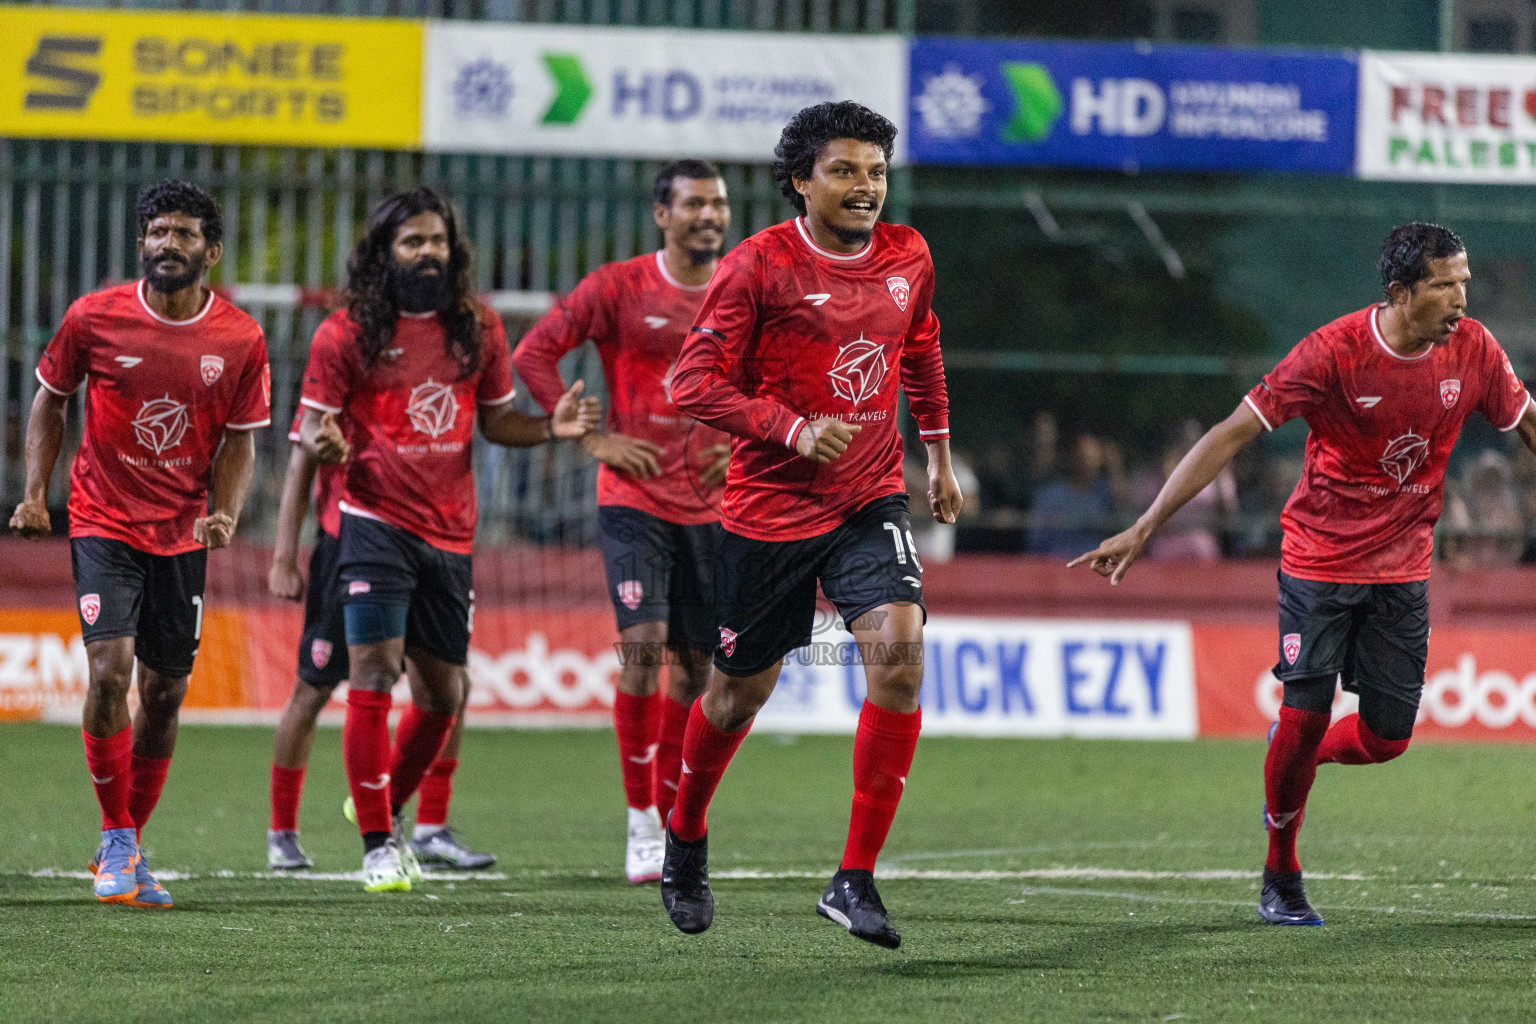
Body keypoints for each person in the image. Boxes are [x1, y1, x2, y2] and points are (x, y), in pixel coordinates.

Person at [1070, 223, 1536, 926]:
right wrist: (1147, 525)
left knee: (1387, 740)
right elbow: (1231, 432)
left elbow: (1528, 421)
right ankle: (1280, 872)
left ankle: (1300, 753)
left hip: (1403, 569)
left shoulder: (1474, 349)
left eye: (1465, 281)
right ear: (1401, 292)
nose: (1462, 298)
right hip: (1319, 562)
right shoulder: (1334, 353)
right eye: (1446, 284)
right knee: (1304, 709)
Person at [662, 101, 960, 949]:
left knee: (900, 663)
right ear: (801, 179)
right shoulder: (759, 265)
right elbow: (690, 383)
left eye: (876, 171)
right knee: (737, 693)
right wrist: (788, 427)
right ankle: (685, 837)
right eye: (844, 170)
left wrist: (937, 456)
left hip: (870, 498)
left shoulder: (909, 255)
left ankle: (854, 878)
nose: (865, 186)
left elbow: (921, 346)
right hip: (771, 509)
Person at [296, 187, 598, 892]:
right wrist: (330, 442)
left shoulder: (478, 329)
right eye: (411, 242)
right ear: (384, 253)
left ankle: (380, 802)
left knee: (443, 696)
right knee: (372, 670)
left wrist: (551, 428)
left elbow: (497, 422)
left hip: (450, 534)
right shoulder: (345, 333)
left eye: (436, 241)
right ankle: (378, 844)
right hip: (371, 523)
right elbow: (313, 430)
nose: (426, 253)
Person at [9, 180, 270, 908]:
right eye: (157, 232)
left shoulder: (241, 339)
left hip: (182, 531)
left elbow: (243, 442)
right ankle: (117, 837)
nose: (167, 244)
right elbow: (50, 398)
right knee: (109, 669)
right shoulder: (94, 317)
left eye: (184, 234)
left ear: (210, 252)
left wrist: (227, 512)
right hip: (103, 518)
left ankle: (124, 840)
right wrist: (36, 492)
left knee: (165, 692)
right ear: (141, 245)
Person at [512, 160, 732, 884]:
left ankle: (674, 820)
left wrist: (740, 442)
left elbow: (778, 376)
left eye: (719, 204)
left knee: (698, 668)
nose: (710, 215)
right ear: (662, 215)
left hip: (714, 506)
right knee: (643, 647)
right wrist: (588, 436)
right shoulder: (618, 287)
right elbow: (535, 352)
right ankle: (641, 820)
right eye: (694, 203)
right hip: (633, 496)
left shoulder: (743, 287)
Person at [265, 408, 495, 872]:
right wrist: (284, 557)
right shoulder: (343, 368)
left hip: (425, 548)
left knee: (453, 687)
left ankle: (428, 827)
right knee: (312, 690)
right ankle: (282, 832)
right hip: (348, 547)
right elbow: (300, 463)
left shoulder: (423, 372)